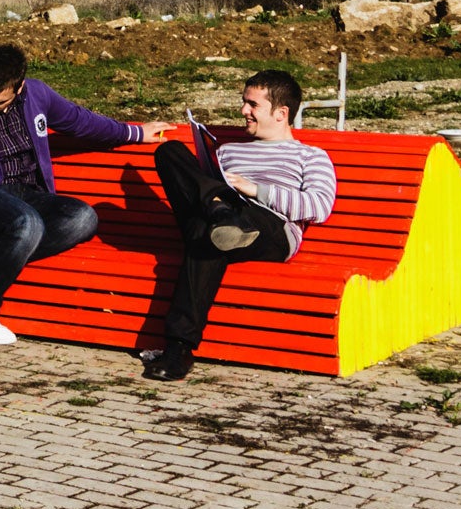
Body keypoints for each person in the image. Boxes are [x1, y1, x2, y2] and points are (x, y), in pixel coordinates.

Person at [0, 43, 173, 347]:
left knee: (83, 217)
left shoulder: (37, 94)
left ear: (19, 86)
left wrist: (135, 133)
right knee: (28, 224)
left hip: (28, 195)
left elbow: (81, 121)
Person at [143, 69, 337, 382]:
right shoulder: (228, 151)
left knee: (210, 236)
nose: (243, 111)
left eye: (252, 105)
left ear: (281, 113)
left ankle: (178, 348)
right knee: (170, 152)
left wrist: (255, 190)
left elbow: (318, 207)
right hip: (220, 216)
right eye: (244, 102)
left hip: (270, 226)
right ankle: (221, 214)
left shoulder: (310, 156)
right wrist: (219, 195)